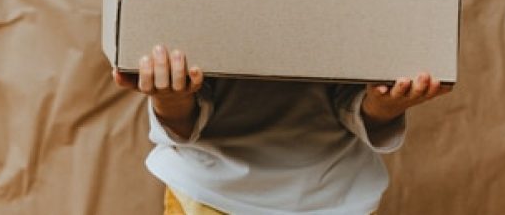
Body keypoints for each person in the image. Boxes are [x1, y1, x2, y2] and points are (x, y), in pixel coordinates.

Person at [115, 45, 451, 215]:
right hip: (210, 196)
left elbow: (353, 102)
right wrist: (169, 98)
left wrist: (386, 104)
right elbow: (184, 119)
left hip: (333, 198)